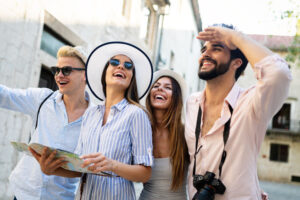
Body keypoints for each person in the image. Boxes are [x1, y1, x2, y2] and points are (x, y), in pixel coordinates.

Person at [30, 41, 154, 200]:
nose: (121, 67)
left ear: (131, 78)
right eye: (114, 62)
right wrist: (51, 169)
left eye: (128, 65)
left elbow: (145, 173)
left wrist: (113, 165)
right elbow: (79, 167)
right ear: (105, 72)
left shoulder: (136, 114)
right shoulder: (90, 114)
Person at [185, 24, 291, 200]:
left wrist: (236, 37)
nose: (205, 54)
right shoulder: (192, 103)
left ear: (236, 62)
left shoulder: (251, 104)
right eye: (204, 49)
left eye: (216, 49)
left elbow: (279, 73)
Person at [0, 45, 91, 200]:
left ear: (85, 75)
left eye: (66, 70)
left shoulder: (94, 117)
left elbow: (89, 168)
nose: (59, 75)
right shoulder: (42, 99)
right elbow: (6, 96)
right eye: (57, 70)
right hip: (23, 194)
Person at [139, 69, 189, 200]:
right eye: (156, 86)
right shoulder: (141, 132)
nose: (160, 89)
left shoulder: (186, 134)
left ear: (176, 97)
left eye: (168, 87)